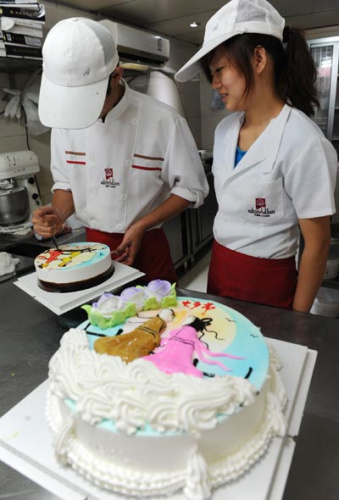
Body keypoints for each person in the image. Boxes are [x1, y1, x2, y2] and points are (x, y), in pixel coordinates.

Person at [175, 0, 338, 312]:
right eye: (212, 73)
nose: (215, 84)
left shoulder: (303, 141)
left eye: (220, 69)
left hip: (269, 282)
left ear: (259, 58)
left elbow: (316, 244)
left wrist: (298, 320)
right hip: (220, 270)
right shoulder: (224, 132)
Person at [32, 17, 209, 283]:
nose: (80, 113)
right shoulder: (65, 119)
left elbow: (191, 189)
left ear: (116, 76)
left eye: (87, 101)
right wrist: (58, 214)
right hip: (90, 253)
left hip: (146, 247)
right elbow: (66, 184)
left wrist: (142, 224)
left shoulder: (164, 120)